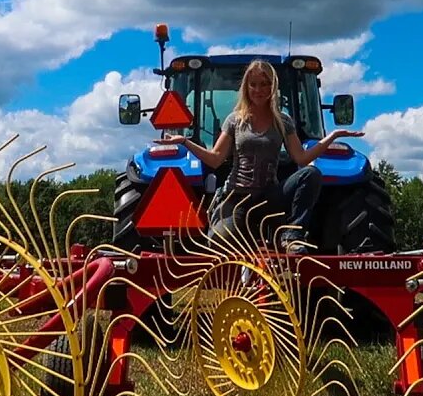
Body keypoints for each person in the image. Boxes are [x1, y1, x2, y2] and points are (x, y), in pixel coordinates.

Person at [155, 60, 364, 254]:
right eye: (253, 84)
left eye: (264, 84)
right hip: (238, 198)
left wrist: (332, 137)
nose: (258, 90)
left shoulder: (283, 121)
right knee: (220, 240)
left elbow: (301, 158)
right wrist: (184, 142)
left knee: (311, 174)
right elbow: (215, 159)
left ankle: (292, 234)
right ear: (246, 87)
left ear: (272, 87)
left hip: (269, 197)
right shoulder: (235, 121)